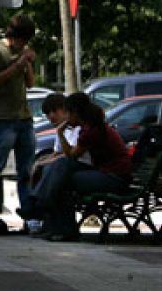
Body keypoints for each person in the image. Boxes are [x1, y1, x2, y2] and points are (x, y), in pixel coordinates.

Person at [19, 92, 133, 241]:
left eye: (68, 113)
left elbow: (72, 155)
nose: (67, 118)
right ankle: (51, 223)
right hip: (103, 172)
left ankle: (44, 213)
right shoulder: (88, 128)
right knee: (60, 170)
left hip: (114, 176)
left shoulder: (92, 130)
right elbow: (69, 155)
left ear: (76, 113)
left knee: (63, 178)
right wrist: (60, 133)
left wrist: (60, 133)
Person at [0, 14, 36, 220]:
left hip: (24, 118)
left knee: (26, 170)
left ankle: (29, 213)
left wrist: (27, 63)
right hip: (3, 118)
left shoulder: (23, 52)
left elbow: (30, 84)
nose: (23, 44)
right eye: (22, 40)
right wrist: (18, 64)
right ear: (13, 35)